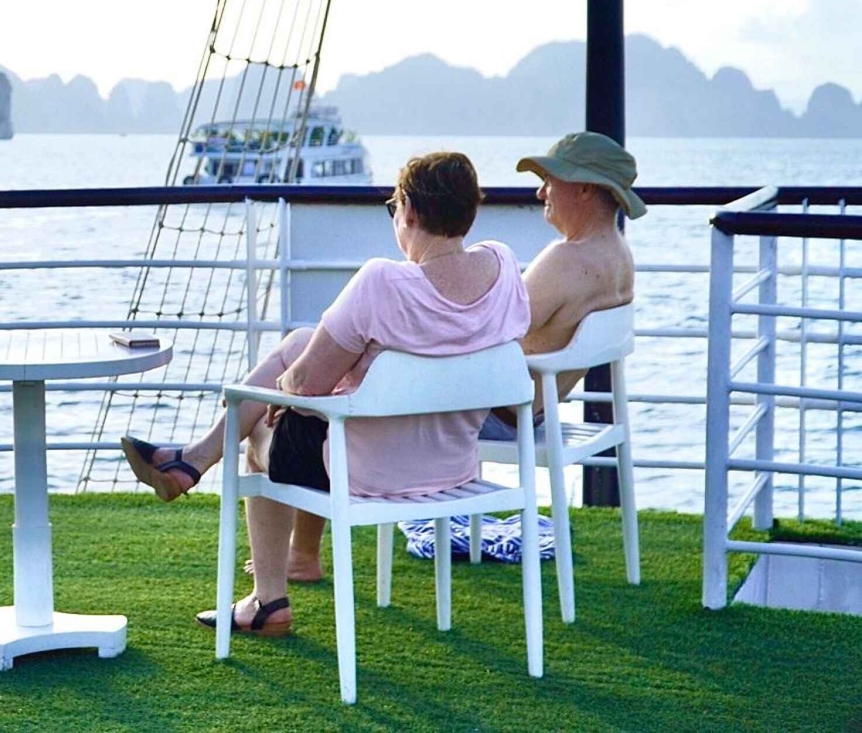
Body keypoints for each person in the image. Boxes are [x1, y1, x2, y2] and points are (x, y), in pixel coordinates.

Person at [123, 151, 530, 634]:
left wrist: (286, 394)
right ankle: (280, 536)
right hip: (452, 469)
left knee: (259, 434)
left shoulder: (383, 281)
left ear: (409, 211)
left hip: (368, 473)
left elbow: (304, 384)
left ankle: (266, 599)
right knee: (300, 347)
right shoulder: (503, 268)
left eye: (394, 208)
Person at [231, 131, 644, 583]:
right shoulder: (618, 255)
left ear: (584, 189)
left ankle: (262, 520)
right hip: (527, 403)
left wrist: (403, 329)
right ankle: (277, 529)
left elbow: (486, 328)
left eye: (550, 181)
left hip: (490, 410)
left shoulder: (566, 259)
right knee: (333, 360)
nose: (541, 192)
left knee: (333, 375)